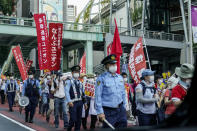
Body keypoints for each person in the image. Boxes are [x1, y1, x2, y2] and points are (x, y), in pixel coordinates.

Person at [95, 54, 127, 129]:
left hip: (120, 109)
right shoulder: (101, 78)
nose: (114, 65)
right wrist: (100, 112)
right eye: (111, 64)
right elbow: (98, 96)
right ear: (106, 66)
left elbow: (123, 93)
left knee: (123, 127)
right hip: (108, 111)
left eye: (114, 63)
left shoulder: (119, 77)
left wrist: (124, 106)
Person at [65, 65, 87, 131]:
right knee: (73, 119)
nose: (77, 73)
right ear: (72, 73)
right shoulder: (68, 82)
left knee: (79, 120)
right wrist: (69, 101)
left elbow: (83, 93)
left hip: (80, 102)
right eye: (75, 72)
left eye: (78, 72)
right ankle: (69, 128)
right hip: (73, 102)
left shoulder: (80, 82)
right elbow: (66, 92)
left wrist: (85, 102)